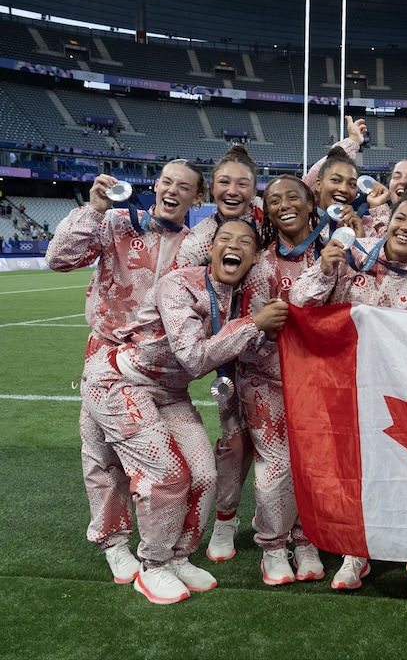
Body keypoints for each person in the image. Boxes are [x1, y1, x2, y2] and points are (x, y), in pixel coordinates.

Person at [84, 219, 287, 604]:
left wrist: (265, 331)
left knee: (205, 475)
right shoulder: (178, 283)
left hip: (171, 390)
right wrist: (253, 325)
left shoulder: (242, 295)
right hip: (120, 382)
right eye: (225, 239)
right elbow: (193, 357)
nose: (235, 246)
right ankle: (153, 566)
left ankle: (178, 556)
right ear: (211, 249)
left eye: (246, 242)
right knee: (167, 474)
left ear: (256, 256)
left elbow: (243, 348)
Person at [45, 162, 205, 587]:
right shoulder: (116, 223)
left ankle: (171, 551)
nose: (173, 190)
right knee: (101, 455)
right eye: (167, 181)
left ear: (196, 199)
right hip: (108, 359)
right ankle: (114, 543)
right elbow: (58, 259)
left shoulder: (194, 247)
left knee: (189, 467)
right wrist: (93, 209)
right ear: (155, 186)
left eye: (184, 187)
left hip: (162, 372)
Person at [290, 176, 407, 590]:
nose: (406, 227)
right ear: (388, 220)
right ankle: (355, 554)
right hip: (344, 385)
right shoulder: (349, 253)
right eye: (401, 218)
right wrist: (323, 269)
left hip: (401, 393)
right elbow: (299, 303)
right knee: (355, 470)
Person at [236, 175, 327, 585]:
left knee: (311, 464)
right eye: (274, 200)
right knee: (274, 465)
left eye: (293, 196)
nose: (284, 204)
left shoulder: (335, 253)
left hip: (319, 383)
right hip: (264, 379)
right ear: (268, 211)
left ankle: (305, 538)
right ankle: (272, 545)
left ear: (312, 203)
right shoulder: (262, 265)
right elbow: (253, 329)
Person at [174, 144, 262, 565]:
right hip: (226, 357)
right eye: (224, 181)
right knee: (233, 442)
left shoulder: (270, 221)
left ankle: (285, 528)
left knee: (282, 444)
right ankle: (225, 521)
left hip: (273, 355)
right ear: (211, 188)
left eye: (242, 183)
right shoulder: (198, 240)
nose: (233, 189)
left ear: (254, 189)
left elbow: (314, 187)